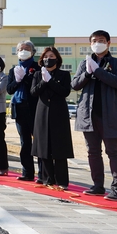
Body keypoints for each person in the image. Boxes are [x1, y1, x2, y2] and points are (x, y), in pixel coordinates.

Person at [71, 30, 117, 201]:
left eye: (101, 40)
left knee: (113, 151)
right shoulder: (84, 63)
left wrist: (98, 71)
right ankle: (97, 186)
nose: (98, 43)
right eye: (94, 40)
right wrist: (88, 72)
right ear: (90, 44)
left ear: (109, 43)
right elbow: (74, 85)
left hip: (109, 114)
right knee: (93, 151)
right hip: (88, 114)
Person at [30, 47, 73, 190]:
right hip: (42, 112)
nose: (49, 58)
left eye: (52, 56)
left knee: (59, 147)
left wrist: (51, 81)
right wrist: (44, 81)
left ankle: (62, 180)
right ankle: (47, 178)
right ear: (42, 59)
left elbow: (65, 91)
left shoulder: (64, 74)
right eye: (46, 56)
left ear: (57, 58)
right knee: (44, 147)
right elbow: (33, 92)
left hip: (58, 113)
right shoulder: (37, 74)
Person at [7, 40, 42, 182]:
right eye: (21, 49)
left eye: (27, 48)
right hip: (19, 108)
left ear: (33, 52)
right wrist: (18, 80)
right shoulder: (13, 70)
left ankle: (42, 173)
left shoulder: (37, 67)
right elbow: (10, 89)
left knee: (38, 141)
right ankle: (27, 172)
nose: (24, 51)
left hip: (34, 108)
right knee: (25, 142)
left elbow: (37, 88)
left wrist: (25, 78)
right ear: (17, 52)